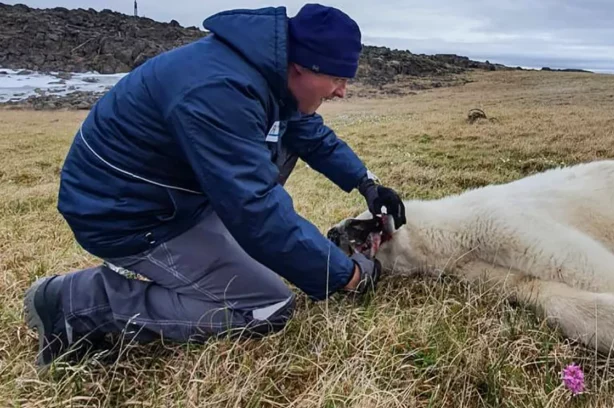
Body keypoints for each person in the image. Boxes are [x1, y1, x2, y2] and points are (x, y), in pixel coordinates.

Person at [22, 3, 407, 367]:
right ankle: (75, 303)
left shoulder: (267, 75)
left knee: (265, 234)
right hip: (126, 214)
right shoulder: (220, 91)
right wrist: (347, 276)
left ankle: (218, 250)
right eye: (338, 78)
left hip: (170, 197)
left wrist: (367, 183)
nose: (342, 91)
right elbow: (254, 208)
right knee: (266, 305)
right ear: (302, 66)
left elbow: (308, 135)